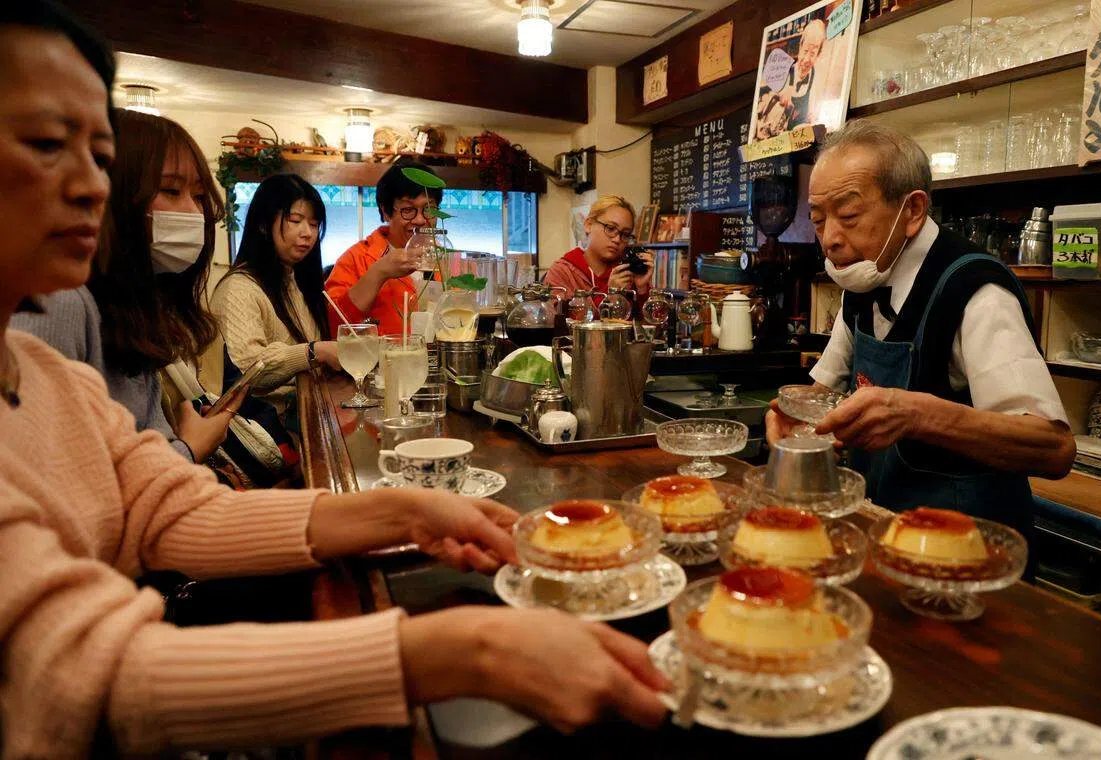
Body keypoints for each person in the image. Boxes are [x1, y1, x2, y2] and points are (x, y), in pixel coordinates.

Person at [0, 5, 668, 756]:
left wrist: (405, 513)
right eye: (49, 143)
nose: (90, 186)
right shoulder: (61, 314)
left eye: (98, 154)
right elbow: (65, 673)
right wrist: (465, 654)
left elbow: (165, 507)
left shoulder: (49, 368)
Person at [766, 121, 1074, 550]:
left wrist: (918, 415)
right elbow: (820, 392)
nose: (830, 241)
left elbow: (1053, 448)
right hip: (887, 539)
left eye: (849, 216)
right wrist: (792, 413)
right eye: (819, 221)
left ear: (911, 211)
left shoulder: (975, 289)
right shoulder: (865, 276)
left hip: (972, 557)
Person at [11, 108, 235, 464]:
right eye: (170, 190)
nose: (194, 213)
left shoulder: (133, 305)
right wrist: (189, 448)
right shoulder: (56, 300)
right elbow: (45, 476)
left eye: (198, 196)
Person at [213, 173, 342, 417]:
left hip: (306, 417)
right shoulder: (239, 289)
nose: (308, 233)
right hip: (269, 430)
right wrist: (315, 352)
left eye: (314, 225)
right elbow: (248, 370)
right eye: (295, 220)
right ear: (262, 224)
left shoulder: (297, 282)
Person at [324, 158, 440, 334]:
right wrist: (379, 272)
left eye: (429, 209)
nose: (420, 220)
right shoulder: (356, 259)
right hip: (379, 360)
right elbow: (332, 326)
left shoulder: (449, 261)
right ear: (385, 212)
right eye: (408, 210)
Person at [544, 195, 654, 303]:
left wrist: (642, 289)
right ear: (588, 225)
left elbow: (653, 319)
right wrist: (610, 294)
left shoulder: (628, 271)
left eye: (625, 234)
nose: (617, 239)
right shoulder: (562, 272)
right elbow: (557, 319)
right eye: (610, 228)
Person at [777, 18, 826, 130]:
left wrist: (813, 116)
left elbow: (814, 112)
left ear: (818, 55)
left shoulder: (816, 78)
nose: (807, 59)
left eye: (813, 54)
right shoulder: (786, 72)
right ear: (800, 47)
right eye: (805, 51)